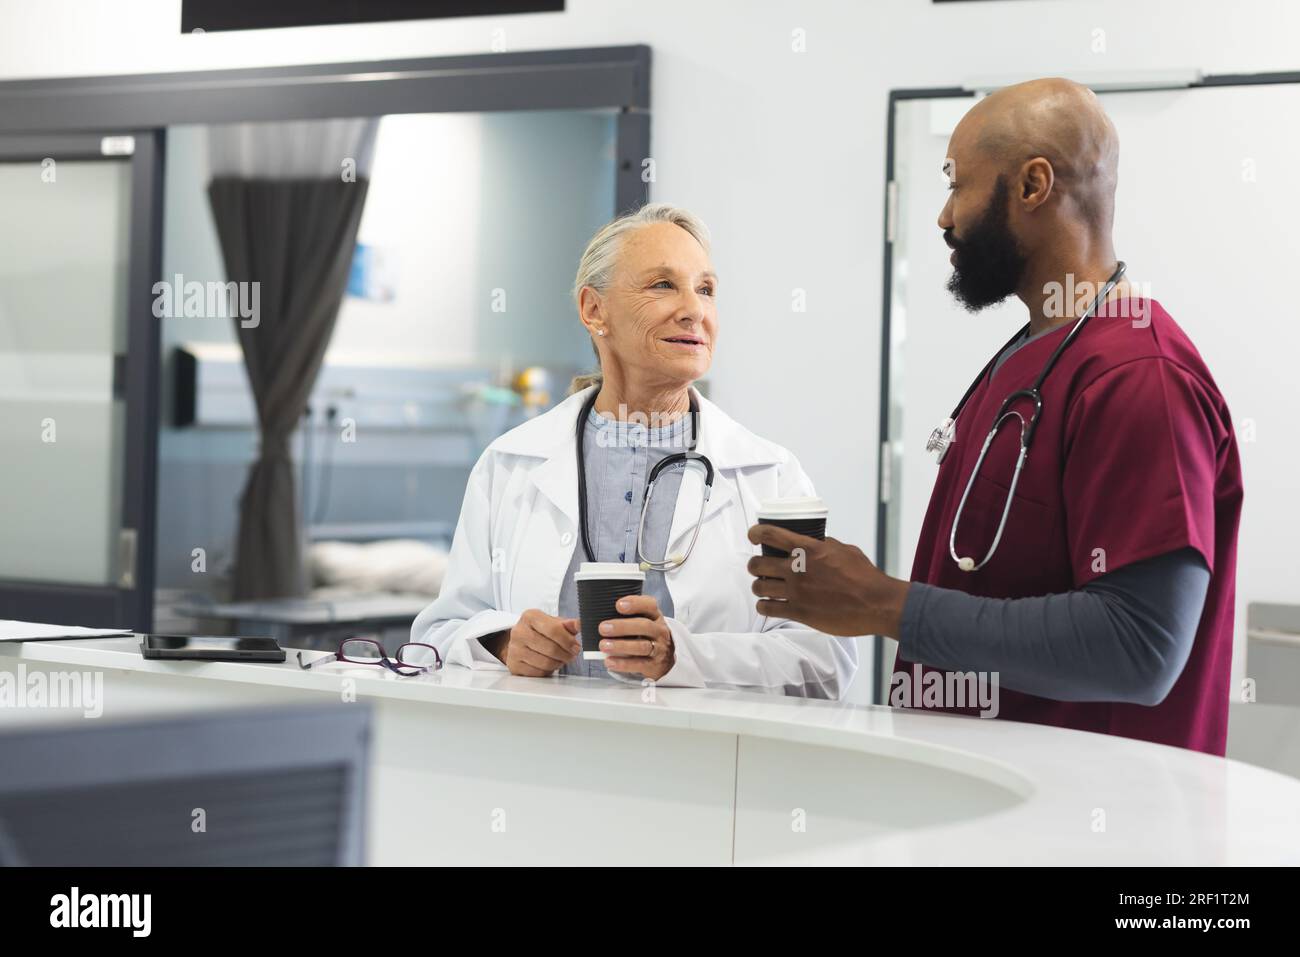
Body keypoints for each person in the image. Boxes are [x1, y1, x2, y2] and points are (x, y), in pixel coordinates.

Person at [747, 78, 1242, 754]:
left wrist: (883, 603)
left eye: (957, 184)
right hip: (985, 802)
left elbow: (1141, 645)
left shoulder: (1138, 375)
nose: (944, 217)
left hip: (1097, 827)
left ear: (1033, 185)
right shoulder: (1029, 356)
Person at [411, 203, 857, 698]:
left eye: (706, 289)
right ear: (594, 310)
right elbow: (440, 630)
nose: (695, 310)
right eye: (663, 285)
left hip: (703, 762)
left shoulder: (769, 475)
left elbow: (826, 660)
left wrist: (683, 656)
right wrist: (499, 642)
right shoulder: (509, 464)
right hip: (543, 760)